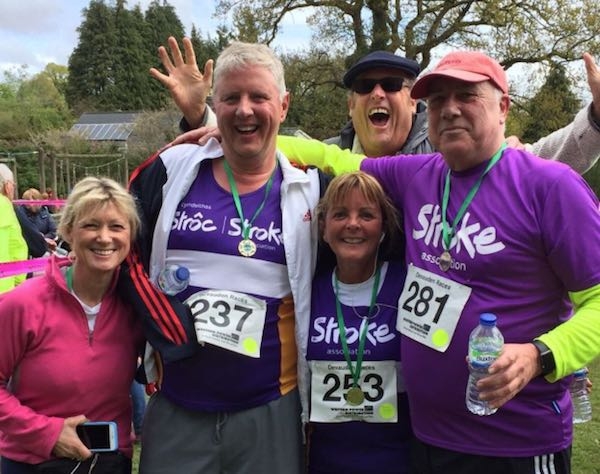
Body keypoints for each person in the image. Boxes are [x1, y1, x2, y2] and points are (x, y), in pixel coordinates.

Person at [276, 50, 600, 473]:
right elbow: (332, 159)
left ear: (503, 107)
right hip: (426, 441)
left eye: (466, 95)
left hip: (516, 443)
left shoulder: (550, 186)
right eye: (439, 98)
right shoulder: (419, 175)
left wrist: (540, 355)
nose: (449, 109)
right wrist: (220, 133)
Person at [120, 41, 327, 474]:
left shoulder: (311, 190)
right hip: (178, 407)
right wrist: (160, 318)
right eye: (231, 98)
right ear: (216, 104)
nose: (245, 110)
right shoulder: (173, 167)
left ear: (284, 105)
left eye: (259, 97)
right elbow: (117, 245)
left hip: (269, 410)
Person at [154, 37, 600, 173]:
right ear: (352, 106)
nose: (378, 94)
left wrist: (596, 119)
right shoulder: (320, 160)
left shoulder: (451, 154)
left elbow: (546, 160)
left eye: (391, 84)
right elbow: (255, 149)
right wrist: (207, 116)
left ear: (413, 100)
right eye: (365, 88)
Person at [0, 176, 144, 474]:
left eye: (116, 227)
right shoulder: (23, 304)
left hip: (108, 462)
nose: (104, 237)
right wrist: (46, 433)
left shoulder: (138, 306)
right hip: (30, 464)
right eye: (91, 225)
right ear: (68, 231)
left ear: (130, 236)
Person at [306, 171, 410, 473]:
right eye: (340, 214)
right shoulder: (306, 292)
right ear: (324, 229)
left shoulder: (407, 285)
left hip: (400, 461)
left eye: (366, 215)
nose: (353, 224)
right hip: (323, 462)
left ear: (383, 229)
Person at [0, 164, 27, 293]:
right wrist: (18, 281)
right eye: (13, 185)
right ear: (7, 186)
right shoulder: (5, 206)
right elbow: (17, 248)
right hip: (3, 288)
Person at [21, 188, 58, 252]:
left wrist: (43, 238)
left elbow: (53, 230)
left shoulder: (44, 212)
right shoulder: (22, 214)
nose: (31, 203)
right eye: (28, 200)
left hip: (47, 246)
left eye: (34, 199)